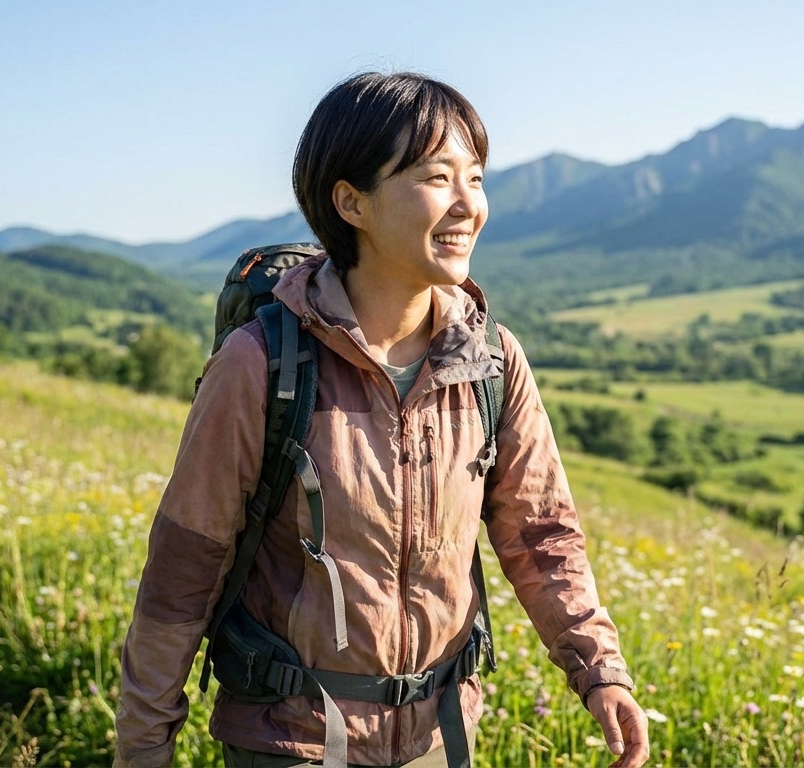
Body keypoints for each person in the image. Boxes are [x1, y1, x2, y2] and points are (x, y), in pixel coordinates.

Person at [115, 71, 649, 768]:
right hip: (293, 741)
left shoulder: (489, 359)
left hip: (440, 740)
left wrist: (599, 669)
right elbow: (182, 573)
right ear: (351, 202)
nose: (468, 207)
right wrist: (143, 748)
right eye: (436, 178)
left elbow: (542, 535)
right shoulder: (262, 365)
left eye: (477, 179)